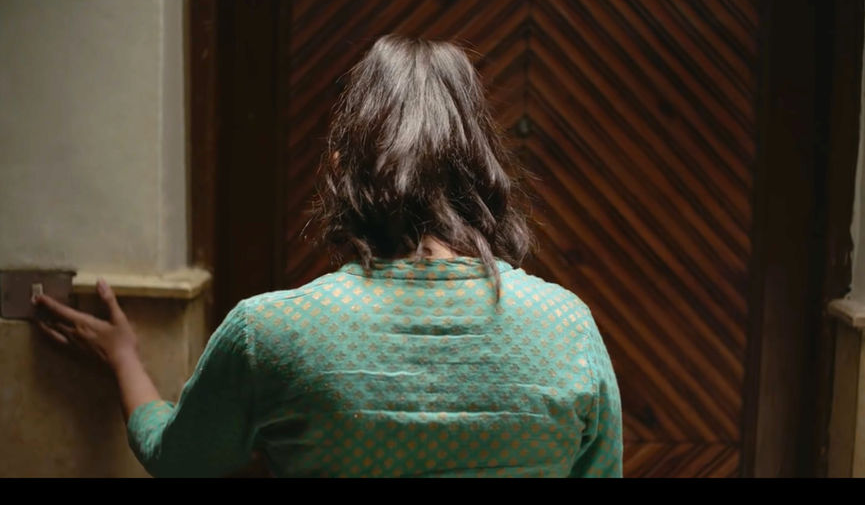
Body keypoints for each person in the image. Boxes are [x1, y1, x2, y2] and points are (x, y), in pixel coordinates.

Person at [33, 34, 623, 478]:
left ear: (342, 171)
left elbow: (178, 460)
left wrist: (124, 359)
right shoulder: (567, 328)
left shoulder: (270, 332)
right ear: (482, 170)